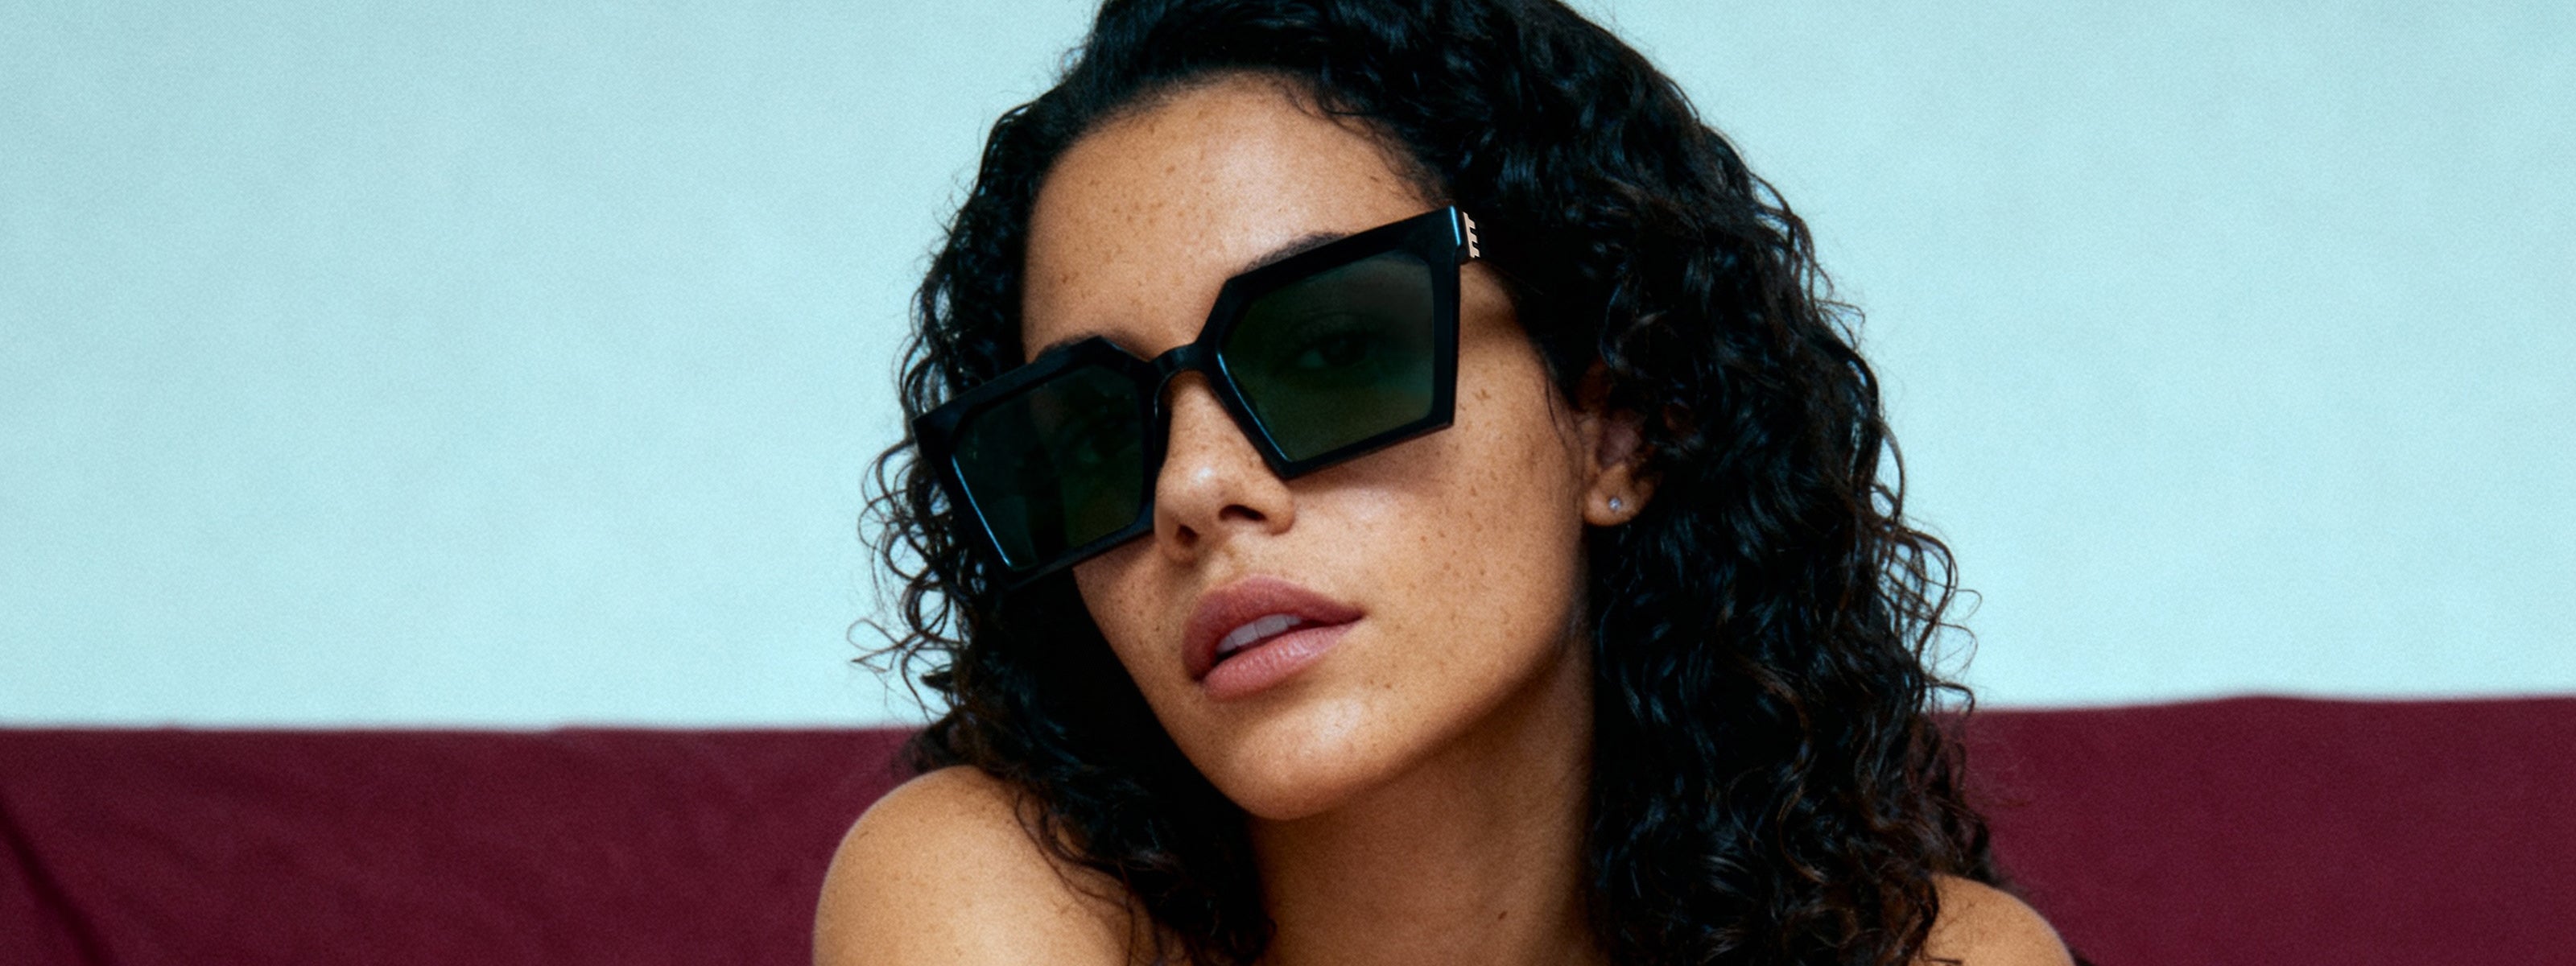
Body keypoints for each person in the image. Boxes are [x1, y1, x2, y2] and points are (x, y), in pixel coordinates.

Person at [817, 1, 2074, 963]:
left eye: (1328, 352)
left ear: (1617, 424)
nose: (1193, 486)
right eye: (1091, 436)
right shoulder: (979, 896)